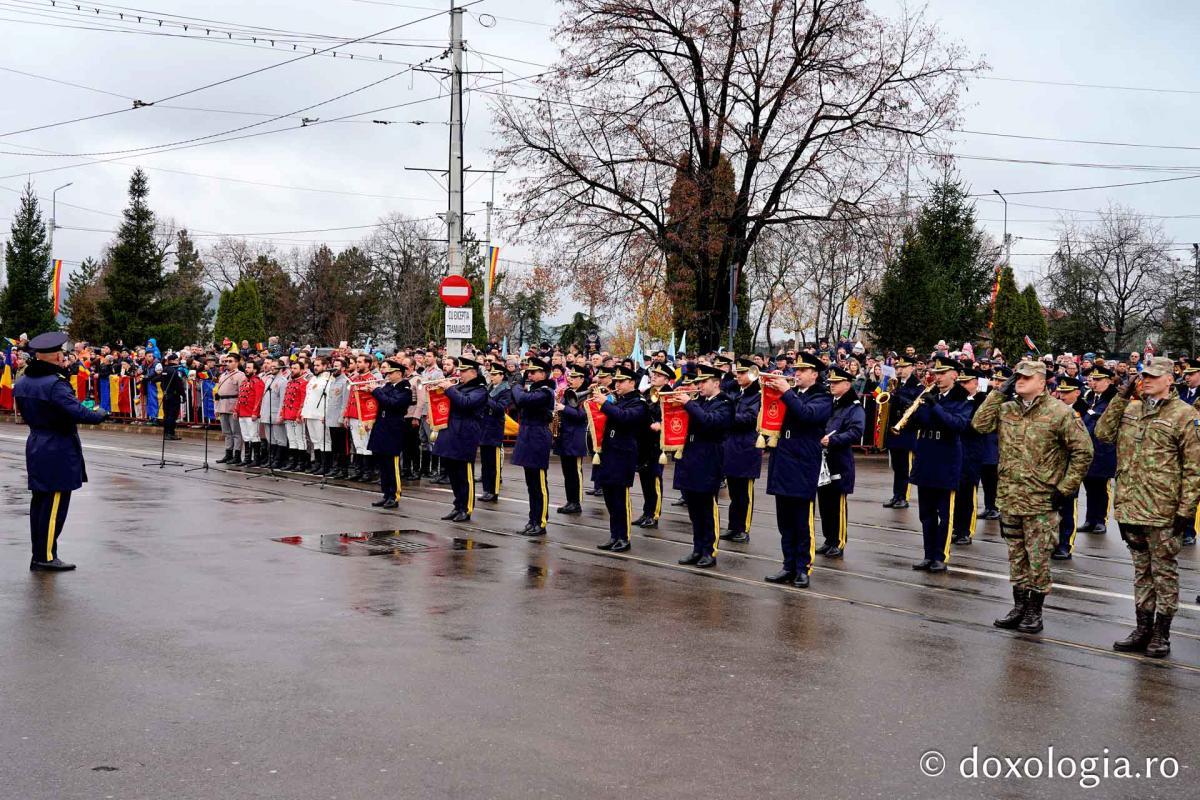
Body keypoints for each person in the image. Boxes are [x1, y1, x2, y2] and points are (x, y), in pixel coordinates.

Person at [972, 360, 1093, 634]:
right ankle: (1019, 606)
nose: (1019, 381)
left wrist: (1065, 488)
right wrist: (998, 392)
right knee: (1016, 556)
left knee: (1038, 557)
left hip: (1041, 499)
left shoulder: (1060, 412)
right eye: (1017, 377)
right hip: (1010, 497)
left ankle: (1034, 611)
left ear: (1041, 381)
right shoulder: (1007, 408)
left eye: (1026, 377)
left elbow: (1083, 452)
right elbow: (979, 424)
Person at [1097, 356, 1200, 658]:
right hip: (1131, 506)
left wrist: (1186, 510)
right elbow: (1102, 433)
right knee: (1142, 572)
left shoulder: (1185, 414)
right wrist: (1120, 396)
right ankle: (1142, 628)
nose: (1147, 381)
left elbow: (1194, 468)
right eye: (1144, 376)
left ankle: (1161, 633)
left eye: (1154, 376)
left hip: (1164, 509)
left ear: (1170, 379)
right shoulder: (1130, 409)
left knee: (1164, 573)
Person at [14, 332, 109, 571]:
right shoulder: (55, 383)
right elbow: (77, 411)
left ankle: (40, 553)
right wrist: (99, 414)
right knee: (54, 504)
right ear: (57, 356)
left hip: (37, 442)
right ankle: (45, 557)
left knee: (40, 503)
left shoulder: (24, 381)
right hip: (57, 446)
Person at [762, 353, 832, 587]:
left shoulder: (822, 396)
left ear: (814, 374)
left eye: (802, 370)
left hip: (803, 463)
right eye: (796, 369)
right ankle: (788, 565)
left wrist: (786, 391)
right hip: (783, 461)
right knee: (785, 522)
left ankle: (803, 568)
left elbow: (806, 414)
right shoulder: (791, 393)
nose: (797, 373)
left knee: (802, 522)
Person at [908, 355, 973, 573]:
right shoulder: (930, 395)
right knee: (926, 514)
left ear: (954, 375)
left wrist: (935, 406)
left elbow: (957, 424)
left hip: (946, 461)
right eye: (936, 373)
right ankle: (928, 555)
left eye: (942, 373)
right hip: (926, 458)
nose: (938, 377)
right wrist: (911, 411)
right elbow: (920, 423)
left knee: (945, 515)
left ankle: (940, 556)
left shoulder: (963, 399)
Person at [668, 364, 733, 568]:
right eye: (699, 382)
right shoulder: (699, 401)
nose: (700, 385)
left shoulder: (724, 403)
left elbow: (708, 421)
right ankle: (697, 548)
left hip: (709, 458)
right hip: (691, 458)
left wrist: (688, 403)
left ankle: (709, 551)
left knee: (707, 508)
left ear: (716, 383)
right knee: (694, 509)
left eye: (704, 382)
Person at [594, 365, 649, 551]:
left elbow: (624, 418)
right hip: (610, 452)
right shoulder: (619, 400)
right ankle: (614, 535)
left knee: (620, 498)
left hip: (624, 453)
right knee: (609, 497)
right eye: (616, 381)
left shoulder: (639, 402)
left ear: (632, 382)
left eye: (621, 381)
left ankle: (624, 537)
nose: (617, 384)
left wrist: (605, 403)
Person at [432, 356, 488, 522]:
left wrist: (449, 388)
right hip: (451, 432)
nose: (459, 374)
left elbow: (465, 403)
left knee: (464, 475)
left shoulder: (480, 390)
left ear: (473, 372)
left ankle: (466, 508)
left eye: (463, 371)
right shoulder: (459, 387)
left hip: (465, 434)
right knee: (453, 473)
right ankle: (458, 505)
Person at [817, 365, 865, 557]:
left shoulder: (854, 407)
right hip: (824, 459)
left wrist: (834, 440)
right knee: (824, 503)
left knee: (837, 504)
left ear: (847, 384)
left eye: (836, 383)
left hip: (839, 459)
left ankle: (839, 541)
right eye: (830, 382)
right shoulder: (830, 403)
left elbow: (856, 431)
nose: (832, 385)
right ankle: (828, 539)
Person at [510, 357, 557, 536]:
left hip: (538, 436)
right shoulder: (534, 390)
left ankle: (541, 521)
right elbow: (517, 402)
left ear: (543, 374)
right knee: (531, 483)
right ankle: (533, 519)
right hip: (528, 435)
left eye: (533, 372)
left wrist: (516, 385)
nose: (529, 375)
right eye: (528, 372)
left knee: (539, 483)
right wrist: (519, 386)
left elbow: (521, 399)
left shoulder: (545, 392)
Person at [721, 357, 762, 544]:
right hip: (733, 446)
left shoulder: (758, 395)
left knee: (745, 493)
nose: (738, 376)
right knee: (734, 492)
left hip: (747, 447)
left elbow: (750, 418)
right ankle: (733, 526)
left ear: (752, 374)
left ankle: (743, 528)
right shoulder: (738, 393)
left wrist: (728, 417)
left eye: (743, 372)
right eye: (737, 372)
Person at [1076, 364, 1119, 536]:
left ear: (1108, 381)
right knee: (1089, 486)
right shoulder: (1090, 396)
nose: (1094, 382)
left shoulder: (1113, 398)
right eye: (1093, 379)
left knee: (1101, 488)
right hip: (1089, 447)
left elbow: (1110, 420)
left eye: (1098, 380)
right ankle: (1090, 520)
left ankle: (1101, 520)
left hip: (1104, 449)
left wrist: (1092, 413)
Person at [1049, 378, 1089, 560]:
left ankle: (1065, 545)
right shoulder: (1054, 409)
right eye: (1061, 392)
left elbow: (1083, 446)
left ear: (1077, 393)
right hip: (1050, 469)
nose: (1062, 395)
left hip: (1068, 469)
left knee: (1066, 509)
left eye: (1067, 392)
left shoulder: (1082, 410)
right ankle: (1050, 542)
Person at [368, 359, 415, 509]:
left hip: (394, 428)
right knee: (382, 464)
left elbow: (392, 403)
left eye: (391, 373)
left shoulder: (405, 389)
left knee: (392, 465)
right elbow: (381, 400)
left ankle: (394, 495)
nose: (387, 375)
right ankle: (386, 493)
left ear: (399, 373)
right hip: (381, 427)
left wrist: (376, 391)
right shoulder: (387, 386)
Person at [633, 364, 673, 528]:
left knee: (654, 478)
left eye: (659, 375)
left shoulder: (670, 395)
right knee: (645, 478)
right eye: (653, 373)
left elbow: (675, 418)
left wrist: (661, 425)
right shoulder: (648, 393)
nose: (654, 376)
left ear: (666, 380)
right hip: (644, 440)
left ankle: (654, 514)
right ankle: (646, 512)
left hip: (657, 442)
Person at [952, 367, 986, 545]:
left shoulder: (982, 401)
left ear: (976, 383)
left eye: (966, 382)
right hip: (956, 450)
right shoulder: (957, 399)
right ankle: (956, 528)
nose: (963, 385)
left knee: (968, 493)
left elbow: (977, 426)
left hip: (972, 451)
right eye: (961, 382)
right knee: (955, 493)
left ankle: (966, 530)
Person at [882, 356, 920, 509]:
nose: (900, 370)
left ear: (912, 368)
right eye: (898, 367)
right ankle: (896, 495)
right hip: (894, 430)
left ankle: (904, 497)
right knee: (897, 467)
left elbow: (915, 404)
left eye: (903, 367)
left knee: (905, 468)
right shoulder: (895, 384)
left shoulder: (917, 385)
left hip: (907, 431)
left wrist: (897, 395)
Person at [554, 366, 589, 514]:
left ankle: (576, 502)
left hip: (576, 436)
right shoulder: (568, 391)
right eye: (570, 377)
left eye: (574, 377)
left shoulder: (586, 394)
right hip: (565, 436)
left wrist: (564, 408)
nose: (570, 379)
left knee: (575, 472)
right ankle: (570, 501)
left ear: (581, 379)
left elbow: (582, 415)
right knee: (567, 472)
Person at [479, 364, 513, 503]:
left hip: (494, 429)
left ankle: (494, 491)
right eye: (491, 374)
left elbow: (500, 408)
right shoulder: (489, 388)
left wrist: (486, 398)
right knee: (485, 462)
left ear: (501, 376)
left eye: (494, 374)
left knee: (493, 462)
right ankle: (486, 489)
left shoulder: (506, 390)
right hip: (484, 427)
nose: (491, 377)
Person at [301, 356, 332, 474]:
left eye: (318, 365)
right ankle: (318, 464)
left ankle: (326, 465)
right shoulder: (313, 378)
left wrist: (326, 414)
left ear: (325, 366)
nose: (315, 367)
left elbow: (329, 399)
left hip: (320, 414)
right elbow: (308, 396)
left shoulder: (328, 379)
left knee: (323, 440)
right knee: (315, 440)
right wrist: (304, 412)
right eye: (314, 365)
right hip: (310, 413)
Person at [214, 353, 246, 464]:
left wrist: (238, 409)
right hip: (222, 405)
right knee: (226, 432)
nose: (227, 363)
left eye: (230, 361)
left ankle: (237, 455)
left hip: (233, 405)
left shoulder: (240, 375)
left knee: (236, 432)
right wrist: (216, 408)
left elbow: (242, 393)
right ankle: (228, 454)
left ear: (237, 363)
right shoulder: (223, 375)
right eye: (226, 361)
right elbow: (217, 393)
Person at [259, 356, 289, 468]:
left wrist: (281, 414)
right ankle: (271, 459)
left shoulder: (283, 381)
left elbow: (283, 400)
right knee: (270, 439)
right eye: (271, 366)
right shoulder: (269, 379)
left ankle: (279, 460)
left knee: (280, 438)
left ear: (280, 368)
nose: (271, 368)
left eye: (274, 366)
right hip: (267, 413)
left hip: (276, 414)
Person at [235, 359, 265, 467]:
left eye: (249, 368)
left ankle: (256, 459)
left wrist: (255, 412)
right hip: (242, 413)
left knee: (254, 436)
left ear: (255, 370)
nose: (246, 369)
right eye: (246, 367)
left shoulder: (257, 381)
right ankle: (247, 458)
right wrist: (236, 410)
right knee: (246, 436)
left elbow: (259, 398)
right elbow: (240, 397)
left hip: (251, 413)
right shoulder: (244, 381)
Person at [281, 359, 309, 471]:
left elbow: (303, 400)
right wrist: (283, 413)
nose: (292, 370)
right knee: (292, 439)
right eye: (292, 368)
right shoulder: (290, 382)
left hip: (296, 415)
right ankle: (293, 462)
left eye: (295, 368)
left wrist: (299, 414)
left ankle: (302, 463)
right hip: (288, 414)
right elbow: (285, 400)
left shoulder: (303, 382)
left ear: (302, 370)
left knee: (300, 439)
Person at [159, 353, 187, 441]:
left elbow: (161, 383)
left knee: (166, 415)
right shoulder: (176, 371)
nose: (178, 361)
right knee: (172, 415)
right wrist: (183, 395)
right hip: (174, 396)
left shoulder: (164, 369)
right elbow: (179, 385)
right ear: (173, 361)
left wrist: (165, 391)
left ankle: (166, 433)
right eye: (177, 360)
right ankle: (170, 433)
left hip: (166, 395)